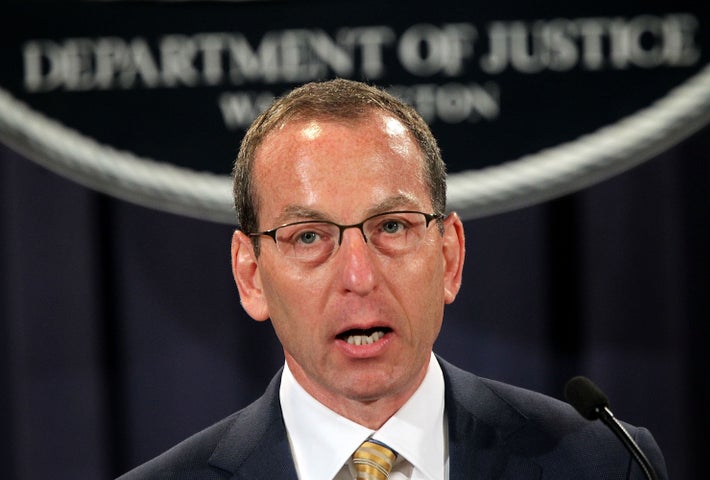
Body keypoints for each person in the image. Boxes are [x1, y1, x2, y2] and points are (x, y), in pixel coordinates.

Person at [118, 79, 667, 479]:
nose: (359, 277)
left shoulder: (607, 463)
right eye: (309, 236)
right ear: (251, 275)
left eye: (393, 226)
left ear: (449, 256)